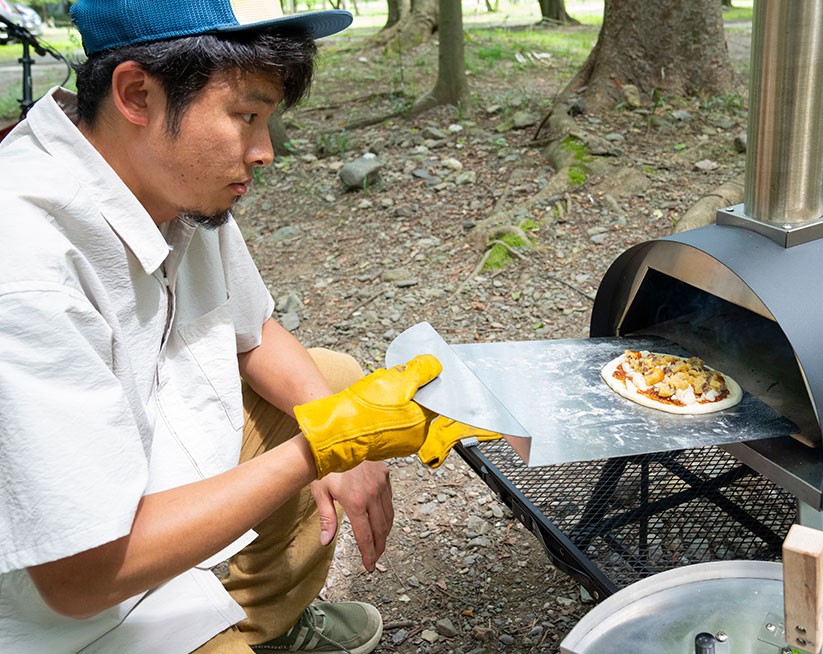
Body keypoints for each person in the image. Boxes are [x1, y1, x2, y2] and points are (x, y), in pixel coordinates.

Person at [0, 1, 495, 652]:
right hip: (69, 601)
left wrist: (337, 418)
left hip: (134, 471)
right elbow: (79, 577)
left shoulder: (161, 178)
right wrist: (323, 448)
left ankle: (269, 624)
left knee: (329, 380)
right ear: (136, 94)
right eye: (245, 117)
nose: (263, 153)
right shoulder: (28, 265)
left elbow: (253, 330)